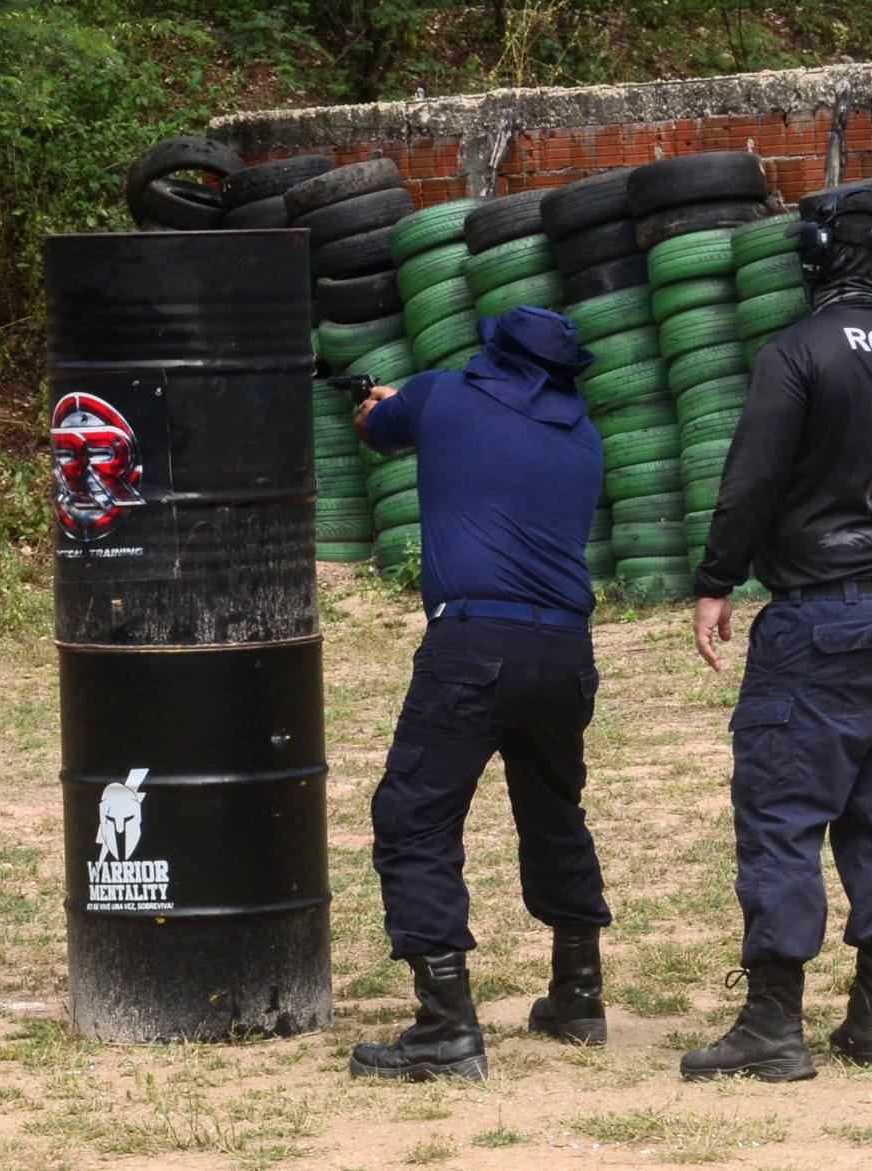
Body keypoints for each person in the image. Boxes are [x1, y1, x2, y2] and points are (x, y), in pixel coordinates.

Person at [681, 187, 872, 1082]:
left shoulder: (796, 353)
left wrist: (715, 577)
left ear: (813, 262)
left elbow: (754, 477)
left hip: (824, 615)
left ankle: (773, 1023)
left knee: (781, 807)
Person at [347, 305, 611, 1082]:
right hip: (564, 650)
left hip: (472, 644)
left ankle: (445, 1028)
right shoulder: (584, 437)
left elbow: (381, 429)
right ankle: (578, 994)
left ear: (491, 352)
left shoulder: (439, 394)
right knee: (552, 810)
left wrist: (378, 403)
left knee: (413, 817)